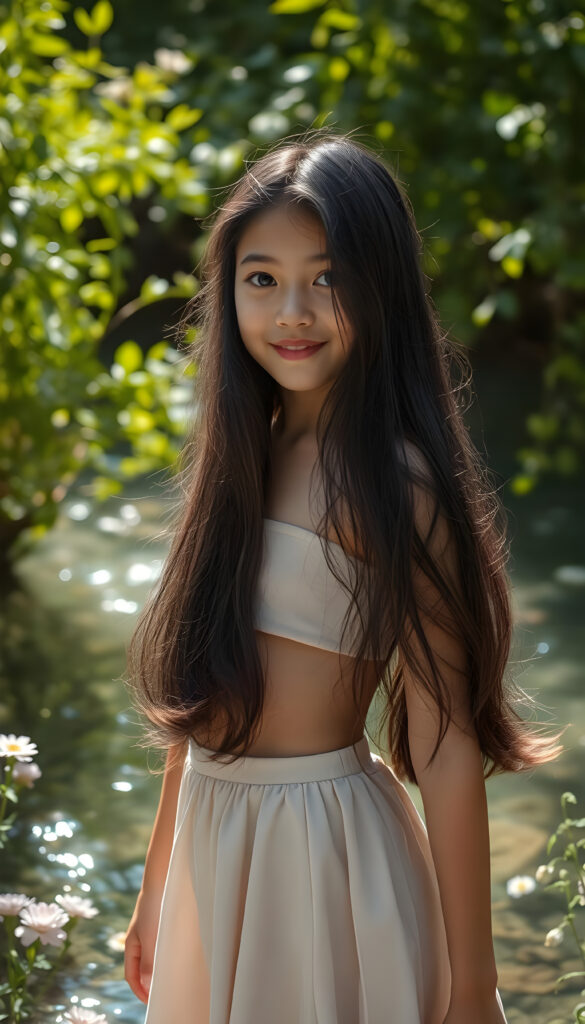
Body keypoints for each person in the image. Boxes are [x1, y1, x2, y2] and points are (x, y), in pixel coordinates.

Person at [122, 129, 564, 1024]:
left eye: (327, 277)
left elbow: (443, 744)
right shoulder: (240, 455)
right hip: (216, 833)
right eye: (262, 278)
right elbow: (203, 691)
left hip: (318, 850)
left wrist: (474, 988)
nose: (293, 310)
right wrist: (153, 884)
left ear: (382, 288)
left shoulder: (392, 485)